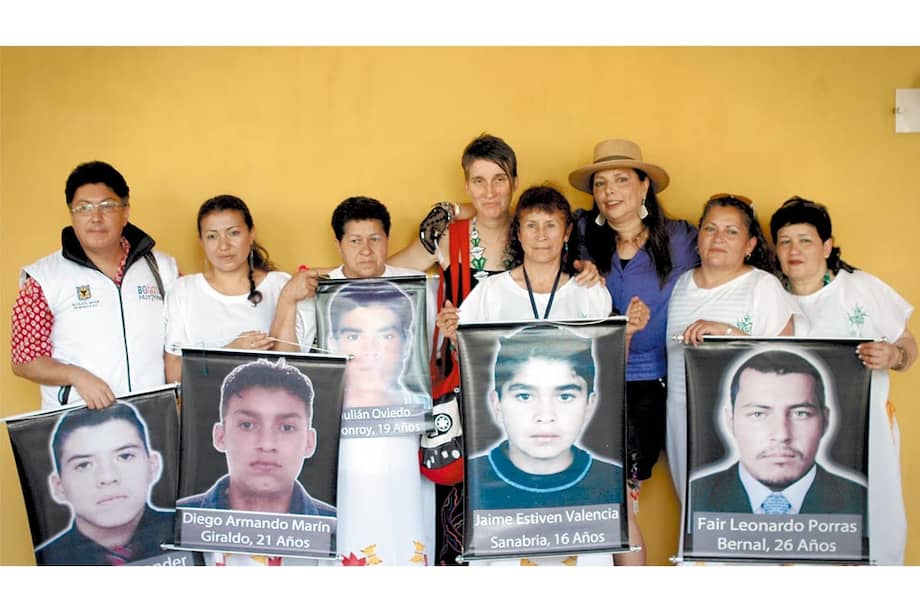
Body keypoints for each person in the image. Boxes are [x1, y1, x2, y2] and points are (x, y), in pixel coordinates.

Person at [438, 185, 650, 566]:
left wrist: (629, 333)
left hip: (582, 437)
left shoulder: (589, 292)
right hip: (506, 440)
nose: (540, 235)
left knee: (613, 519)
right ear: (517, 233)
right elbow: (469, 365)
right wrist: (454, 335)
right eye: (531, 225)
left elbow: (609, 364)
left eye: (550, 225)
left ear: (566, 232)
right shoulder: (489, 293)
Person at [271, 196, 435, 566]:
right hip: (342, 438)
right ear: (339, 244)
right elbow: (286, 359)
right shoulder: (319, 290)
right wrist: (287, 300)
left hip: (402, 434)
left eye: (375, 239)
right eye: (355, 240)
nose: (366, 250)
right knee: (351, 526)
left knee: (404, 522)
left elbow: (430, 358)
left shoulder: (413, 288)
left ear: (388, 241)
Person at [770, 196, 916, 564]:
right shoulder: (768, 298)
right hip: (794, 440)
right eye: (785, 241)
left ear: (827, 246)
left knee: (874, 528)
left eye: (805, 240)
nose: (794, 250)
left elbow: (908, 346)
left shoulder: (860, 289)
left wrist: (894, 356)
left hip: (868, 435)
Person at [567, 138, 699, 519]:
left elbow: (737, 248)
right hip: (589, 380)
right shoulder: (579, 234)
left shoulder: (680, 239)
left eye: (621, 180)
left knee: (624, 496)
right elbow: (528, 223)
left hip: (651, 384)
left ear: (644, 186)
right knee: (583, 486)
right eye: (601, 183)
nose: (609, 192)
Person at [11, 161, 179, 409]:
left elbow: (183, 340)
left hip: (153, 419)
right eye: (83, 208)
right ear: (72, 214)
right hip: (81, 427)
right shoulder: (44, 278)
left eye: (108, 206)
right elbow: (24, 360)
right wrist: (75, 375)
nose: (96, 217)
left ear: (126, 212)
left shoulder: (163, 268)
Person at [666, 193, 799, 500]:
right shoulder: (681, 284)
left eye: (731, 231)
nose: (718, 239)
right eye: (710, 229)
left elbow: (787, 361)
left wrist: (727, 333)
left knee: (737, 506)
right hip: (681, 415)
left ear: (750, 244)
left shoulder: (763, 286)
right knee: (692, 508)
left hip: (742, 418)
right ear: (698, 237)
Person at [689, 350, 866, 517]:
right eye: (758, 414)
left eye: (800, 414)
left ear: (825, 420)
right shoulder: (696, 497)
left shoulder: (860, 502)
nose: (782, 435)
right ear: (731, 421)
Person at [468, 324, 624, 511]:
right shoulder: (471, 479)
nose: (545, 416)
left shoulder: (611, 480)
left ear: (589, 405)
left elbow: (629, 532)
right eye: (524, 396)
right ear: (496, 404)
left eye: (565, 397)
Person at [177, 357, 335, 516]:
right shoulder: (177, 519)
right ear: (220, 436)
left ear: (309, 442)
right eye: (247, 425)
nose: (266, 444)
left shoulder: (336, 529)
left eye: (287, 428)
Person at [164, 194, 290, 382]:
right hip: (204, 410)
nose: (224, 245)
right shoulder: (183, 290)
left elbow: (296, 367)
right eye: (212, 236)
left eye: (233, 233)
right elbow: (173, 374)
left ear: (251, 233)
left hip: (268, 409)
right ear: (201, 242)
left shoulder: (281, 286)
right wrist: (231, 351)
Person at [35, 400, 175, 565]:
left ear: (153, 466)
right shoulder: (49, 560)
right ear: (59, 486)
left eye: (125, 456)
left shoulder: (187, 532)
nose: (108, 478)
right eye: (83, 465)